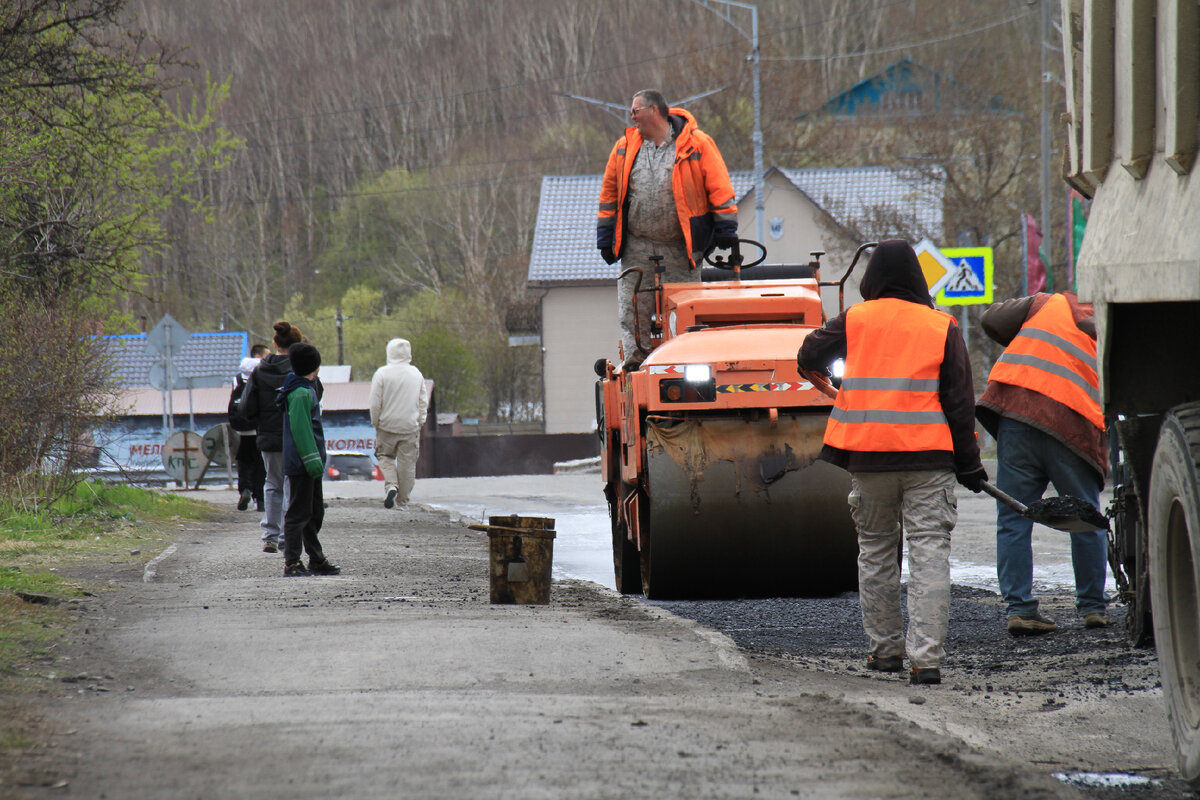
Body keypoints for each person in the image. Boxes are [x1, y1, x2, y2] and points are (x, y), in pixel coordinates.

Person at [797, 239, 986, 686]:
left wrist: (835, 385)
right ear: (919, 280)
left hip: (868, 459)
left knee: (877, 553)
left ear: (871, 279)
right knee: (928, 555)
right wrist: (971, 464)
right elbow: (960, 403)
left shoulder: (856, 320)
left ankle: (885, 653)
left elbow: (807, 356)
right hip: (929, 462)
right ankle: (927, 661)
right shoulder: (941, 326)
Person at [976, 291, 1108, 635]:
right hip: (1073, 425)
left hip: (1019, 414)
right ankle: (1093, 607)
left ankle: (1020, 609)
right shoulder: (1114, 318)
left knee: (1014, 517)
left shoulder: (1050, 303)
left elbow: (991, 319)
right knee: (1085, 516)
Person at [596, 89, 738, 370]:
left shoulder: (698, 144)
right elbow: (609, 194)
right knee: (633, 310)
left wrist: (726, 227)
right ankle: (637, 368)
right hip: (636, 245)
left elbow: (719, 186)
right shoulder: (624, 147)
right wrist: (604, 235)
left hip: (680, 246)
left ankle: (685, 364)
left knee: (685, 312)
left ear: (654, 111)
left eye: (635, 111)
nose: (632, 117)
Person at [239, 321, 308, 553]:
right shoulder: (301, 370)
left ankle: (270, 534)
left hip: (268, 436)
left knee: (272, 483)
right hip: (296, 436)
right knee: (292, 484)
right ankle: (288, 537)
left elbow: (247, 407)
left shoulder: (260, 370)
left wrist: (261, 421)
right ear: (297, 344)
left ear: (275, 344)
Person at [276, 341, 339, 577]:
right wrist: (312, 460)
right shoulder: (300, 393)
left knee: (313, 512)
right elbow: (302, 430)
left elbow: (317, 388)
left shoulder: (304, 386)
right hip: (303, 463)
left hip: (308, 463)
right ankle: (291, 563)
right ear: (315, 366)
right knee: (298, 513)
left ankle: (316, 558)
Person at [369, 337, 429, 510]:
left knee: (384, 456)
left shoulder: (381, 374)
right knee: (407, 464)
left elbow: (375, 402)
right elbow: (422, 400)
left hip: (386, 426)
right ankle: (403, 502)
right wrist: (420, 421)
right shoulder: (416, 373)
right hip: (410, 427)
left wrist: (376, 422)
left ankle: (391, 485)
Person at [228, 345, 269, 512]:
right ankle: (260, 499)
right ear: (258, 356)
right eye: (266, 356)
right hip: (259, 426)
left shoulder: (238, 378)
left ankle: (245, 490)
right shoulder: (264, 374)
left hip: (242, 428)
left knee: (244, 461)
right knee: (260, 464)